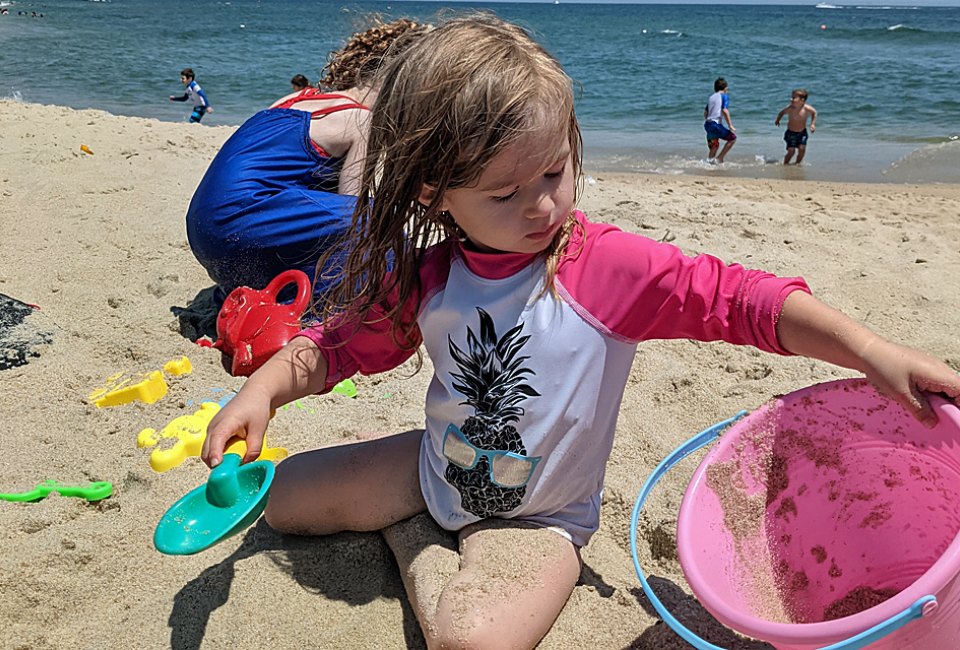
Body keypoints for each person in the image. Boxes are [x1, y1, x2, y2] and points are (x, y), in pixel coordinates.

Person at [201, 15, 960, 650]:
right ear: (435, 194)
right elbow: (336, 348)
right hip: (433, 465)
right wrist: (266, 388)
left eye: (556, 173)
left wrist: (870, 350)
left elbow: (746, 302)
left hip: (536, 516)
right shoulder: (427, 276)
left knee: (471, 641)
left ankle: (418, 549)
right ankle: (421, 524)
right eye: (505, 192)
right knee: (284, 500)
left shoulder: (606, 270)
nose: (541, 207)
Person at [185, 18, 429, 301]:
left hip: (203, 231)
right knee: (377, 220)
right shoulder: (361, 120)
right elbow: (354, 208)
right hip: (241, 225)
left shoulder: (297, 98)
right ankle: (324, 314)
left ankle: (265, 295)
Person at [775, 88, 818, 165]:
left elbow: (814, 113)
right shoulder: (790, 108)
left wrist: (812, 124)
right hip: (791, 133)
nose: (791, 99)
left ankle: (797, 164)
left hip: (802, 133)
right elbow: (781, 113)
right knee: (791, 151)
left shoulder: (806, 108)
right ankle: (785, 164)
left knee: (802, 149)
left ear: (802, 100)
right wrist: (778, 120)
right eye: (791, 97)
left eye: (794, 98)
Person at [704, 77, 736, 163]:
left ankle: (709, 163)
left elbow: (705, 113)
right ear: (725, 88)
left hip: (707, 124)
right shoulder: (724, 96)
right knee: (732, 138)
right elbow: (725, 110)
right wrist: (730, 125)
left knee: (714, 146)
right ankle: (720, 158)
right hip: (715, 124)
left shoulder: (711, 97)